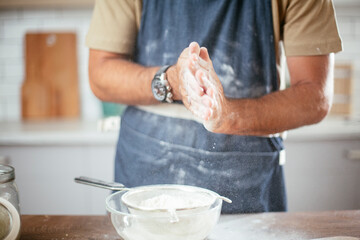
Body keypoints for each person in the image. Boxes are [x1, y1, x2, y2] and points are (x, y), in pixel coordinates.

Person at [86, 0, 342, 213]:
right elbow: (101, 75)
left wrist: (228, 115)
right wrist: (172, 82)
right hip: (143, 176)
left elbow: (314, 97)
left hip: (247, 187)